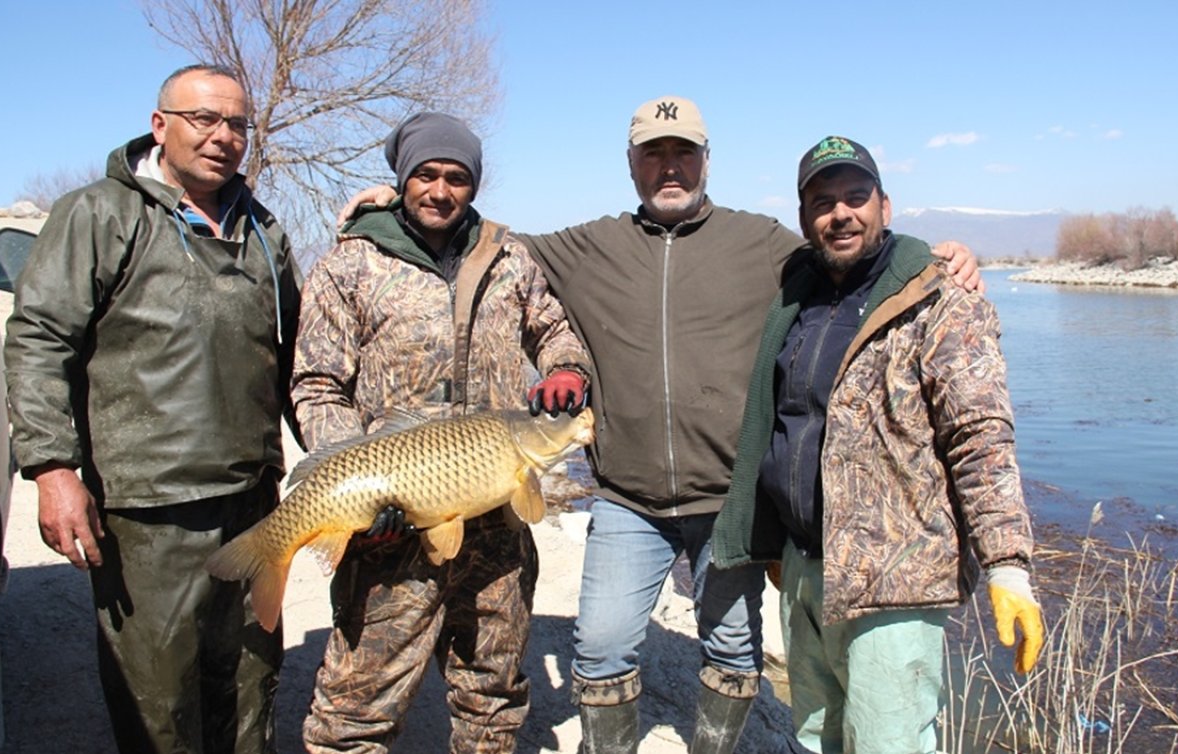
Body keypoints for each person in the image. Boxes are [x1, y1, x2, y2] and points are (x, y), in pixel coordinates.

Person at [337, 96, 983, 753]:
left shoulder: (760, 242)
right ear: (632, 165)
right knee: (602, 645)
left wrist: (929, 256)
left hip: (727, 500)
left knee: (733, 647)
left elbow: (850, 251)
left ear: (706, 160)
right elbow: (484, 240)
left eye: (683, 153)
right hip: (628, 500)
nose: (669, 167)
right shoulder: (591, 245)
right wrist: (396, 204)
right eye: (654, 154)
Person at [3, 64, 302, 753]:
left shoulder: (264, 231)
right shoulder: (101, 214)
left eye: (236, 124)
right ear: (161, 124)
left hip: (252, 501)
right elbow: (41, 338)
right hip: (146, 512)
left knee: (251, 689)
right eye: (204, 119)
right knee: (160, 705)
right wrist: (52, 469)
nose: (223, 137)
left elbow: (292, 361)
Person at [712, 136, 1043, 754]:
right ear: (805, 216)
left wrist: (1007, 565)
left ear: (885, 206)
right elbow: (785, 422)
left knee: (889, 742)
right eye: (822, 201)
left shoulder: (938, 297)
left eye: (855, 197)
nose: (841, 213)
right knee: (815, 737)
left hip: (896, 583)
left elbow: (981, 439)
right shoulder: (797, 294)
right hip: (806, 570)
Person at [292, 112, 591, 753]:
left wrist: (566, 368)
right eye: (425, 174)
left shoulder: (511, 260)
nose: (440, 189)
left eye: (456, 177)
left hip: (495, 529)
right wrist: (354, 483)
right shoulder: (350, 266)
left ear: (473, 186)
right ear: (402, 180)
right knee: (354, 713)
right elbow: (317, 385)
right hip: (389, 530)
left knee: (493, 699)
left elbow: (555, 330)